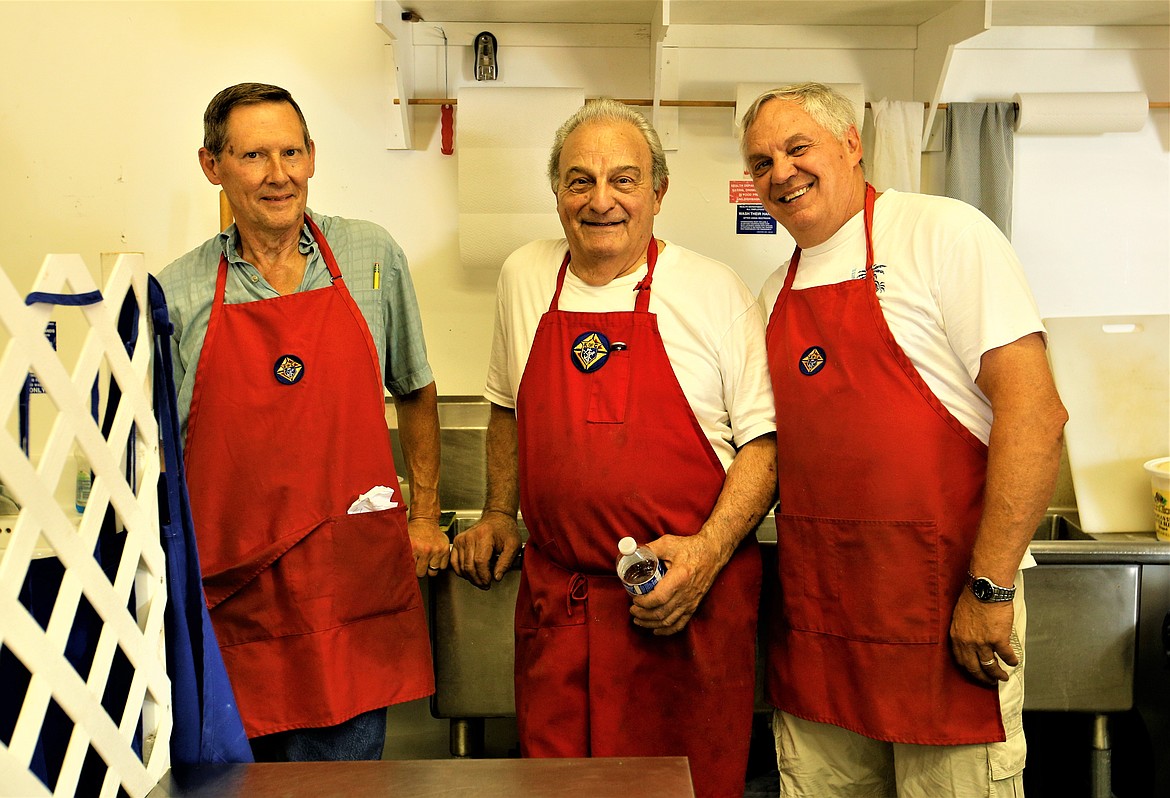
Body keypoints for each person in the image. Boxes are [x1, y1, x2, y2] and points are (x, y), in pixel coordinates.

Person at [741, 82, 1069, 796]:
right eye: (762, 163)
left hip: (946, 623)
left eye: (798, 148)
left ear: (851, 145)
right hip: (822, 631)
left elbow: (1035, 415)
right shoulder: (771, 296)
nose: (781, 173)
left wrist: (990, 587)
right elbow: (764, 455)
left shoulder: (942, 233)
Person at [450, 98, 777, 798]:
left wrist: (709, 551)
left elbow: (765, 447)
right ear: (557, 193)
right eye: (579, 181)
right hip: (559, 610)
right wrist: (498, 512)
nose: (602, 201)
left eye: (623, 180)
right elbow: (505, 408)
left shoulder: (714, 289)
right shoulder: (524, 277)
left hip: (683, 607)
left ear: (658, 192)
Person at [158, 83, 447, 762]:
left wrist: (425, 514)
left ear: (313, 155)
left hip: (347, 587)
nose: (279, 173)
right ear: (212, 165)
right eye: (254, 155)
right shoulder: (178, 291)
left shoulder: (371, 257)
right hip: (235, 594)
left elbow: (416, 389)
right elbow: (162, 447)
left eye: (292, 151)